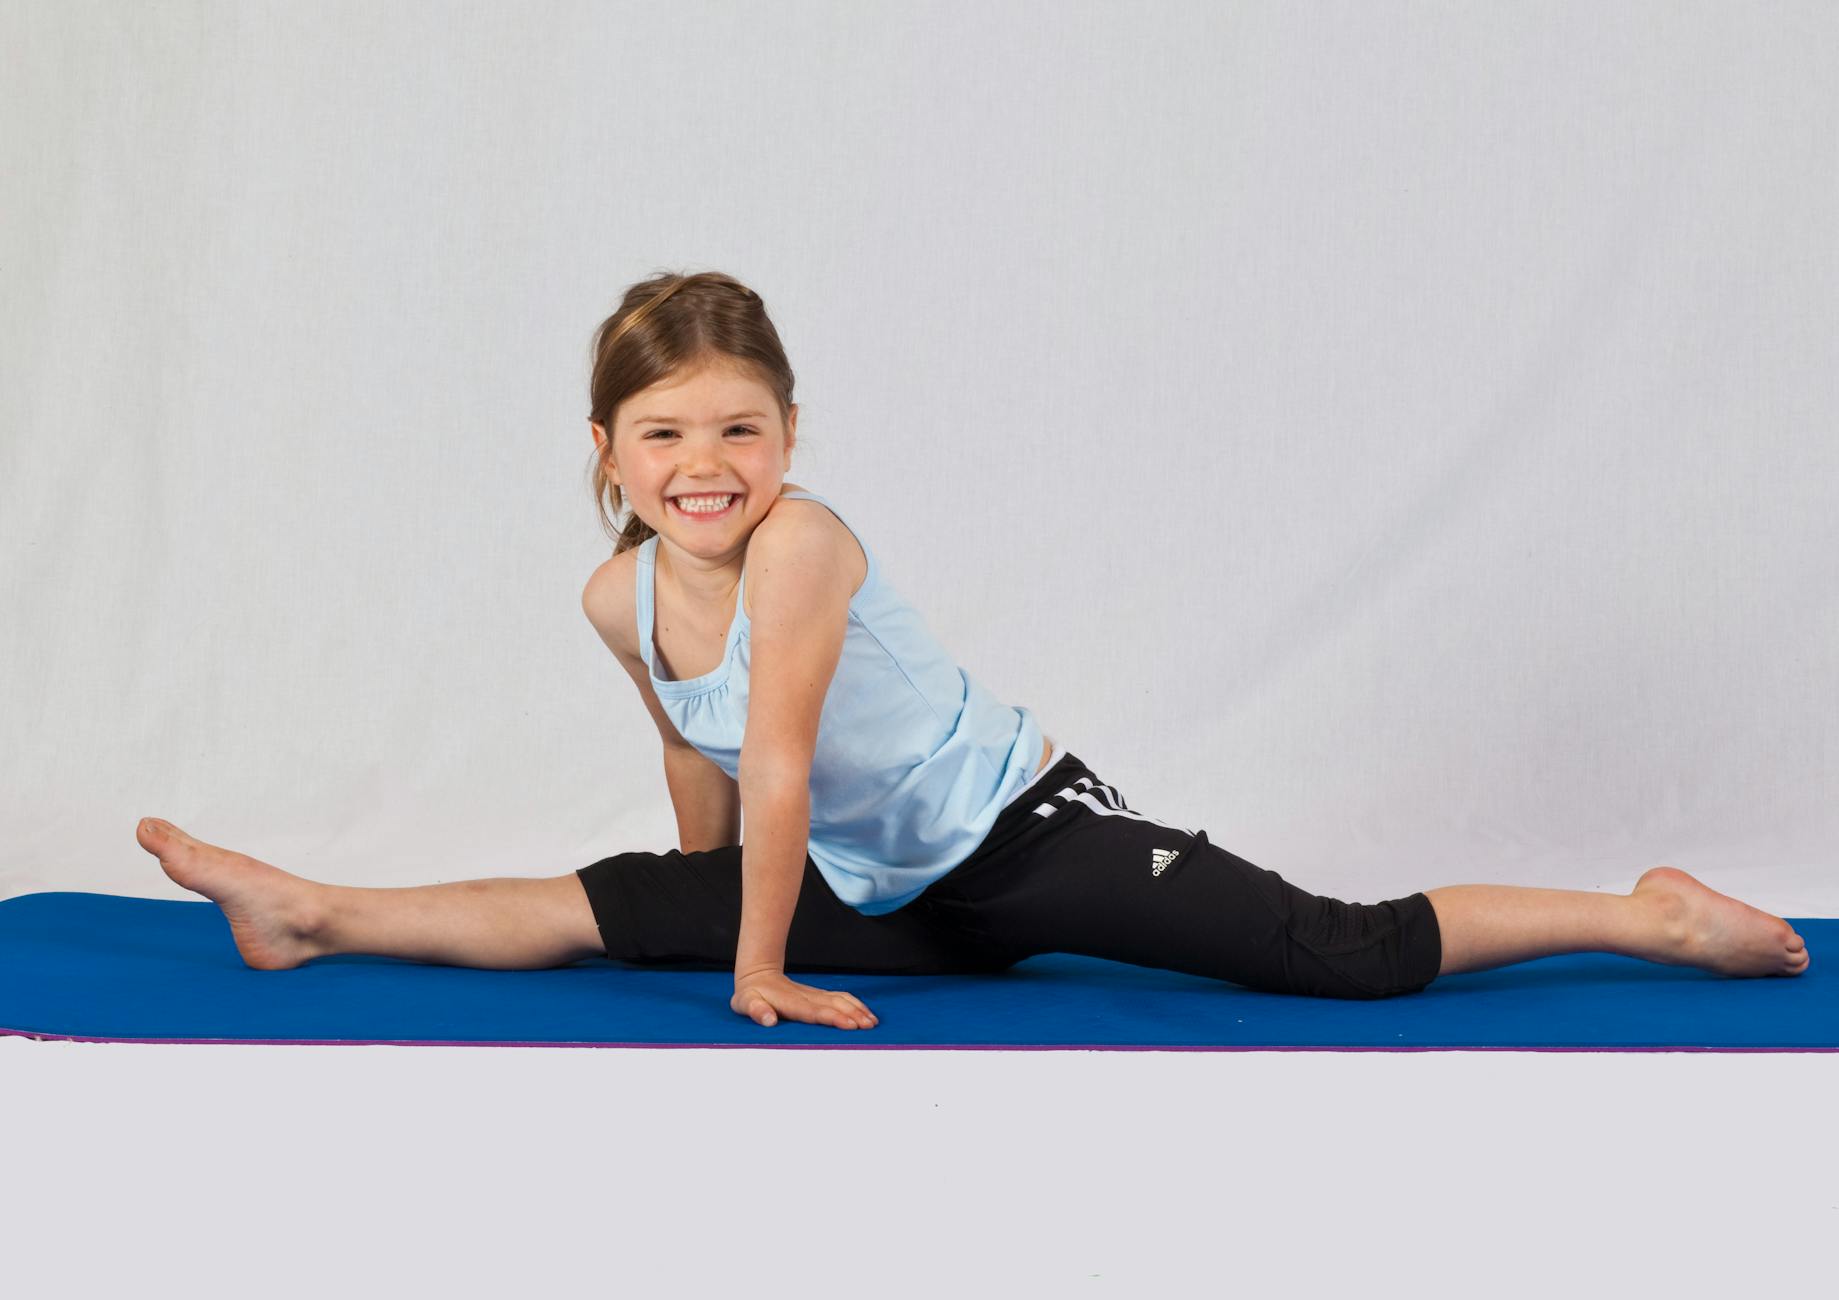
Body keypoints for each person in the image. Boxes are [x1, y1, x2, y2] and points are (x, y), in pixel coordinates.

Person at [134, 270, 1811, 1032]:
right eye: (664, 435)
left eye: (739, 427)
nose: (705, 465)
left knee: (1336, 955)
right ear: (607, 450)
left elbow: (778, 755)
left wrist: (751, 963)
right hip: (876, 880)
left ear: (790, 435)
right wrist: (694, 899)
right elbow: (696, 754)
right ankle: (310, 910)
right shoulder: (614, 599)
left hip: (1018, 840)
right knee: (604, 906)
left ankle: (1646, 914)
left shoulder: (803, 545)